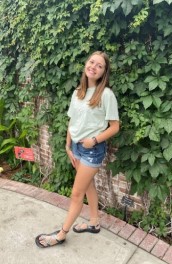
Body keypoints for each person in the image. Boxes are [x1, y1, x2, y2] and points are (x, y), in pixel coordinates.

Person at [35, 51, 120, 248]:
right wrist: (67, 145)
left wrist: (94, 140)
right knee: (88, 186)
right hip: (76, 148)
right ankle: (94, 222)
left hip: (92, 149)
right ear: (86, 64)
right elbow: (72, 121)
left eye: (100, 65)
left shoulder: (106, 94)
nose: (94, 66)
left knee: (76, 193)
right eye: (92, 62)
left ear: (104, 72)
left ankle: (61, 234)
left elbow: (115, 127)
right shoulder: (77, 93)